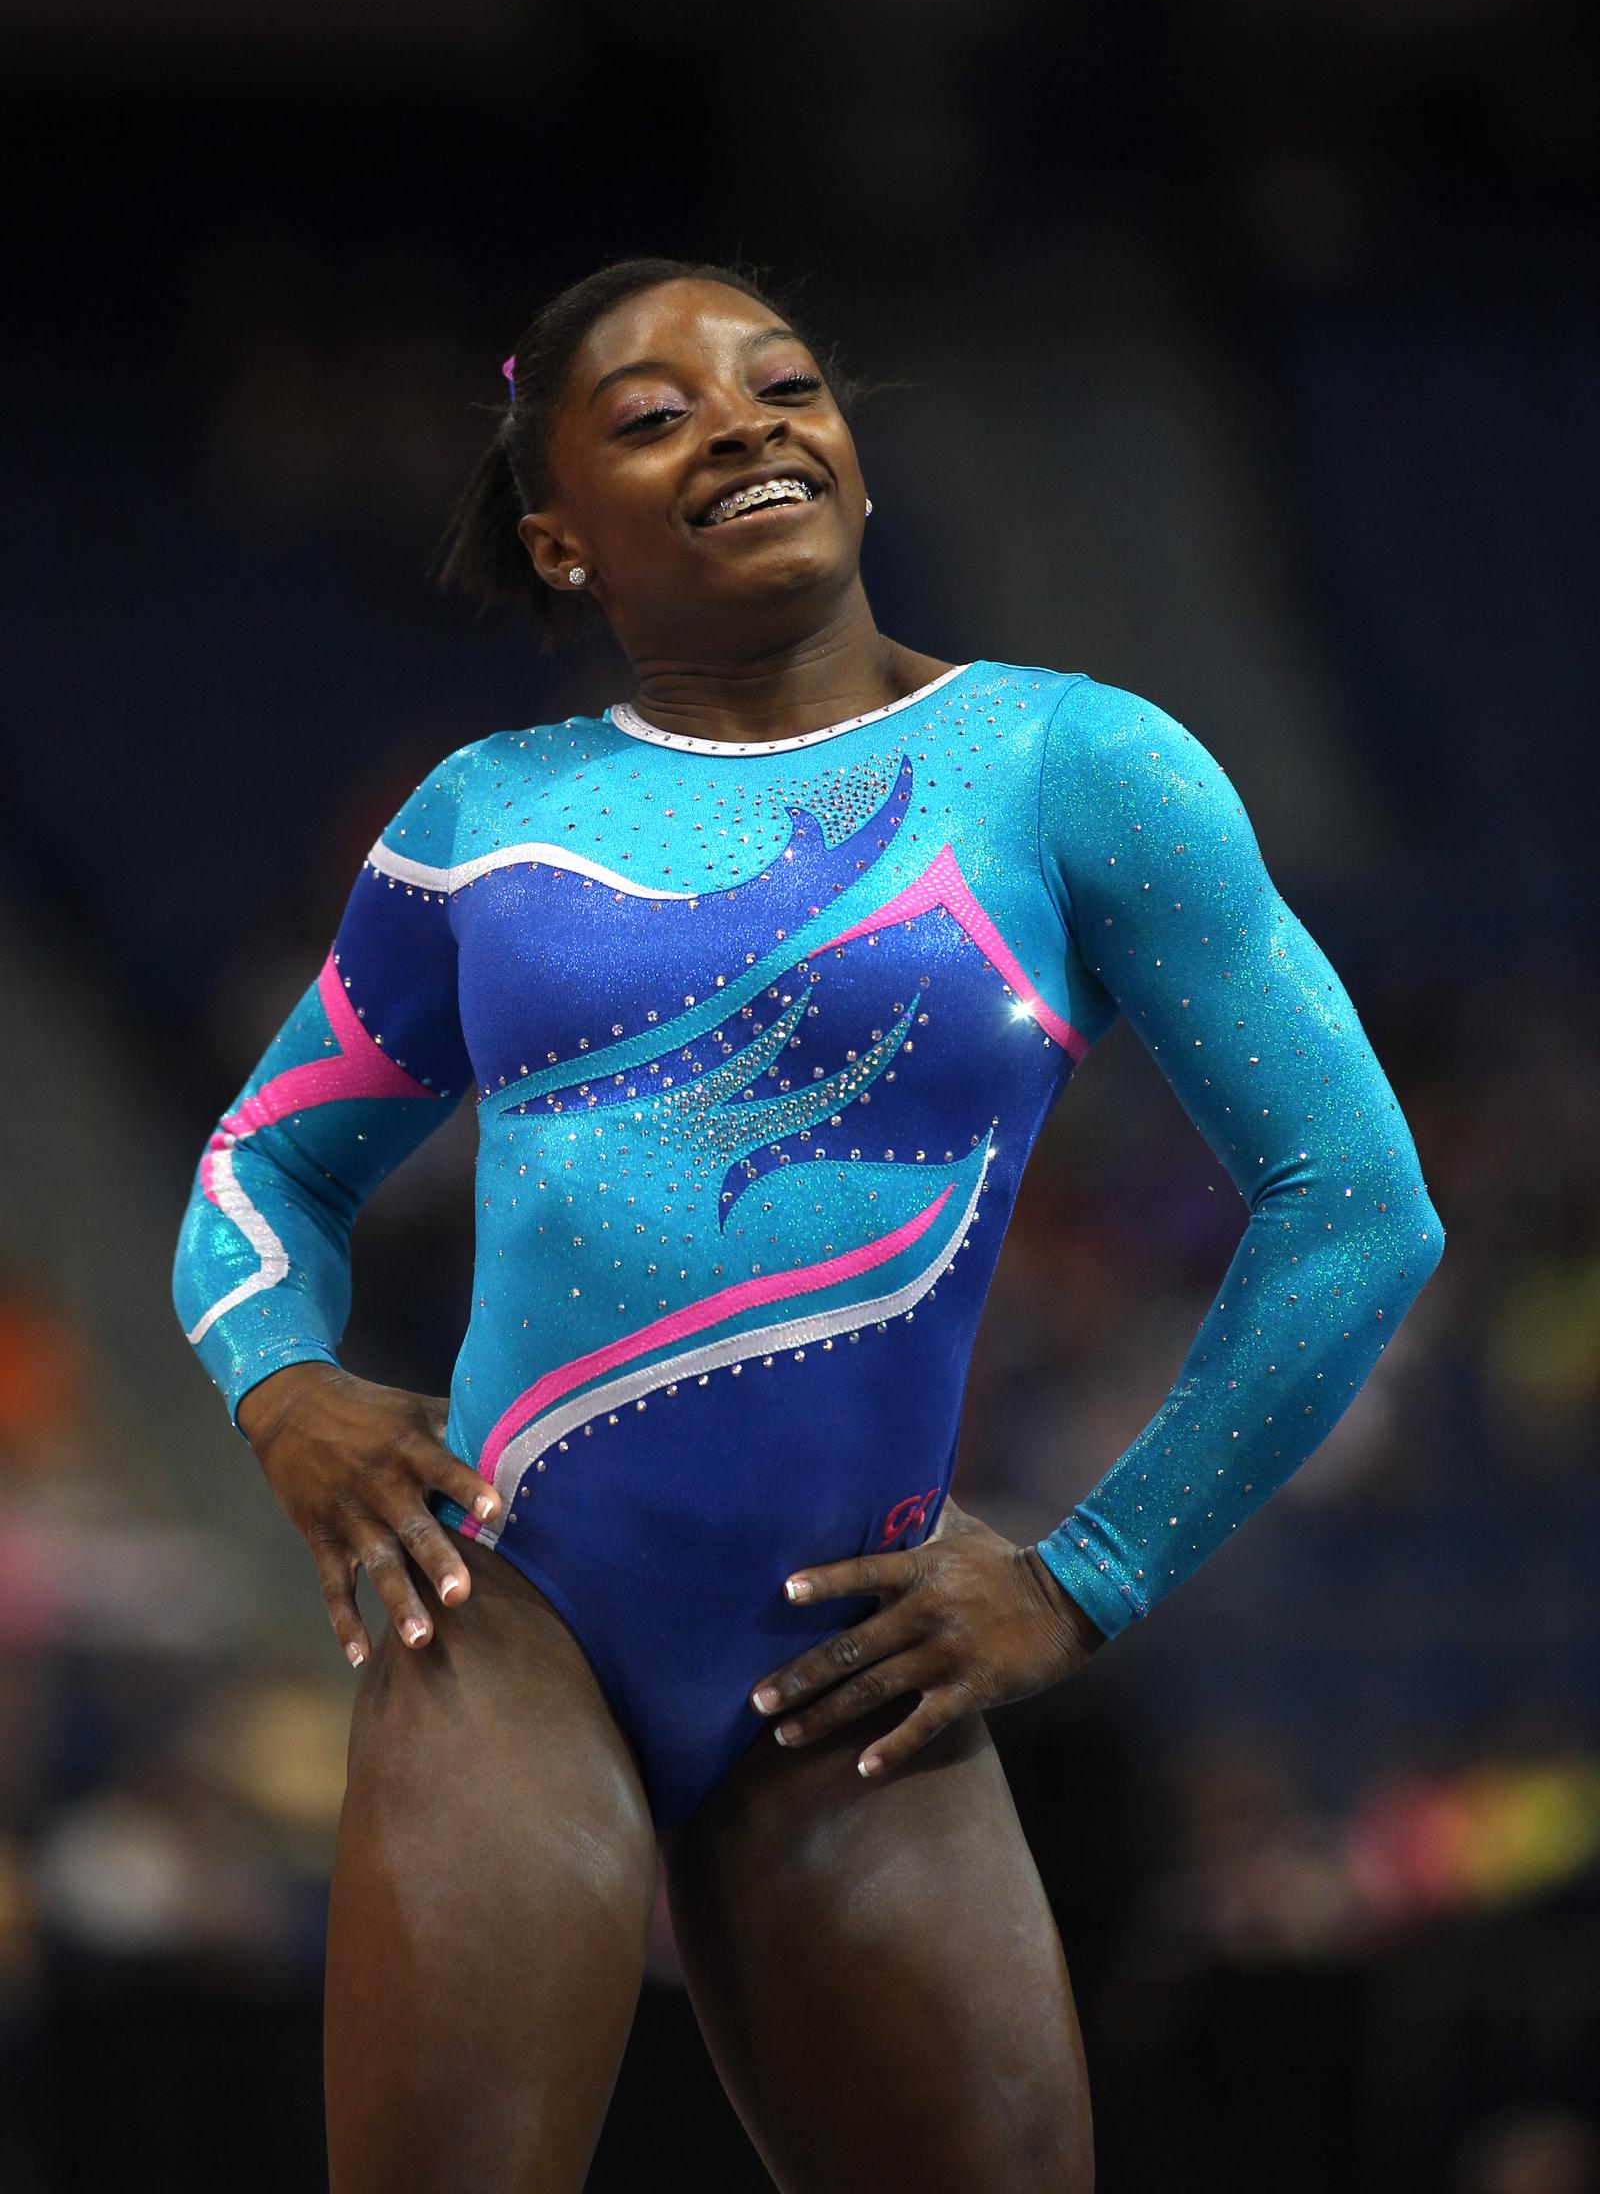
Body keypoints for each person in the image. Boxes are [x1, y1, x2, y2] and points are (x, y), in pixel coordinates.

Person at [173, 257, 1444, 2193]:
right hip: (513, 1629)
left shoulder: (1070, 769)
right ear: (558, 534)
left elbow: (1355, 1210)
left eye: (780, 384)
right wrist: (283, 1387)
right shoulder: (483, 819)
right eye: (654, 413)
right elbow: (264, 1165)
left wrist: (1083, 1573)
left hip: (849, 1671)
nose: (745, 421)